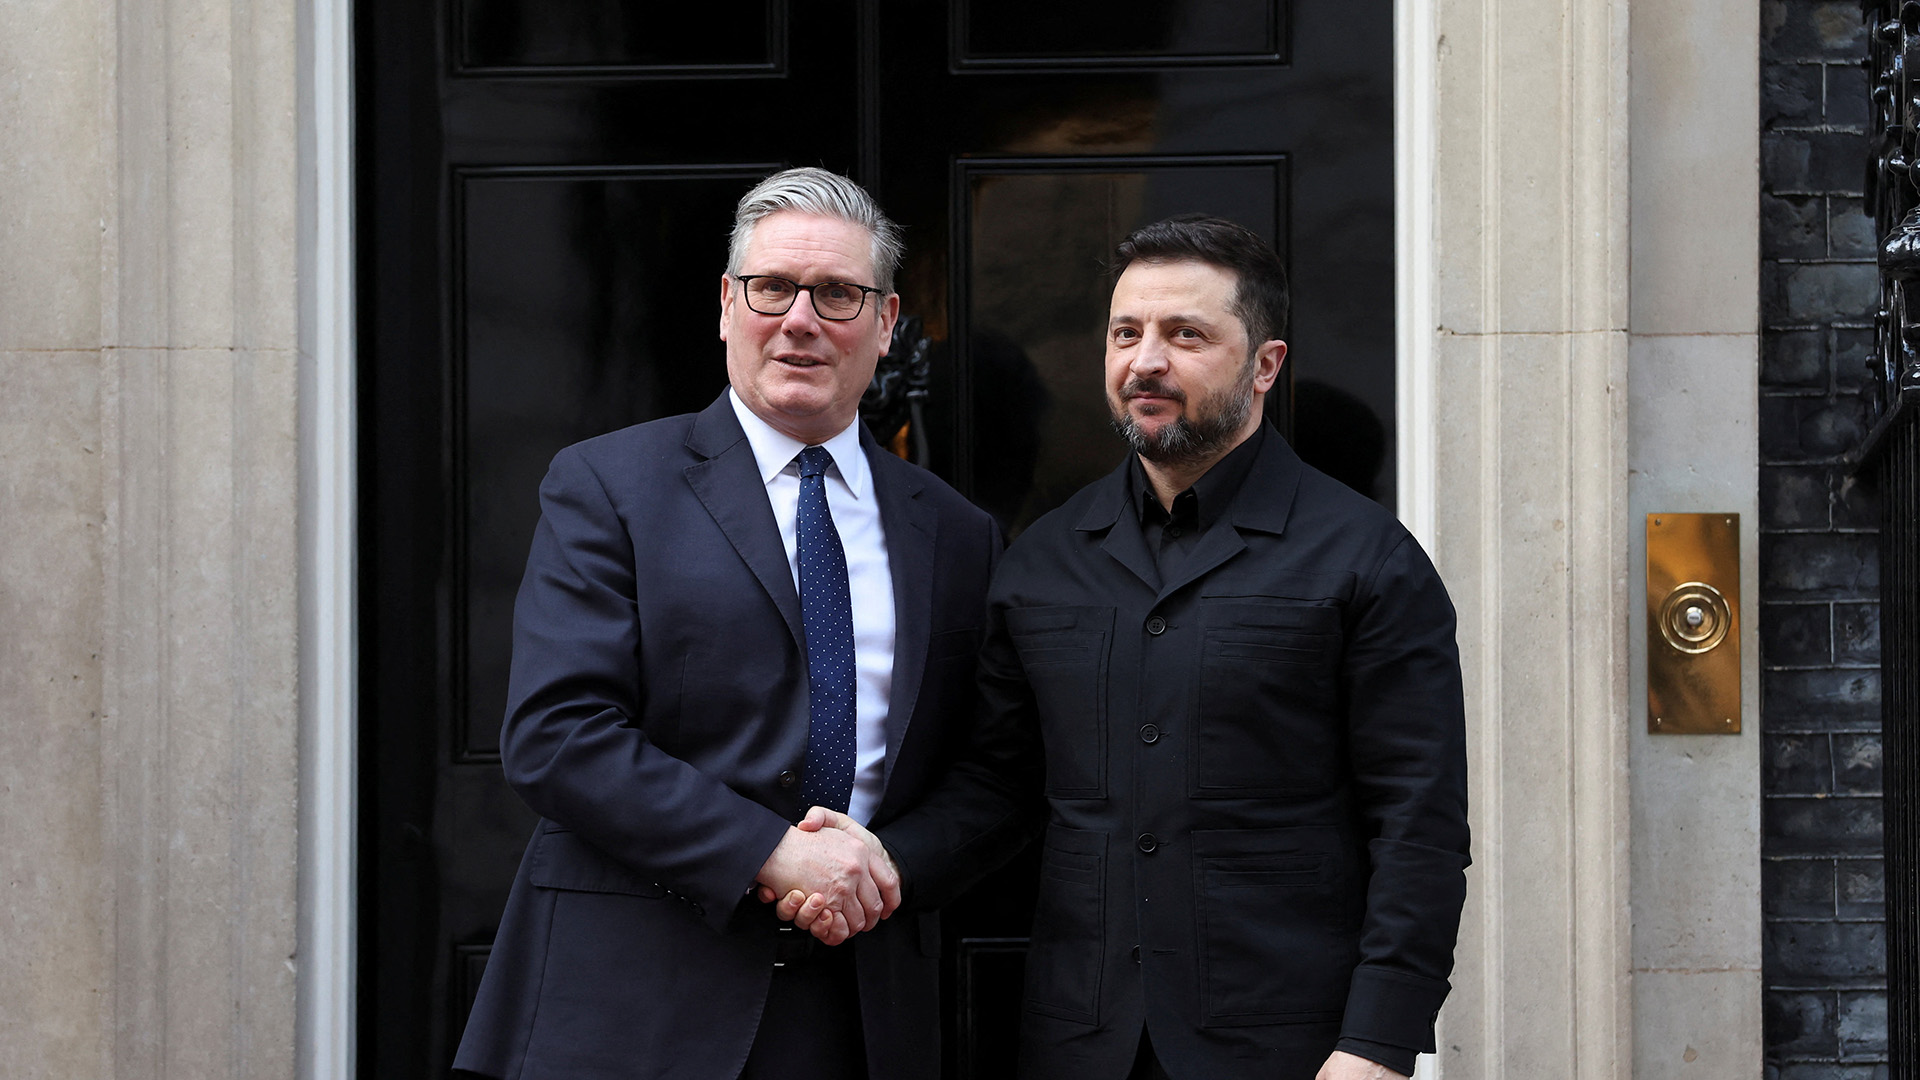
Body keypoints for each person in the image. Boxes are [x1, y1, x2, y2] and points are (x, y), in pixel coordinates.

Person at [803, 214, 1470, 1079]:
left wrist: (1377, 1043)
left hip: (1289, 1046)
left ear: (1265, 365)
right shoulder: (1042, 558)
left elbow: (1418, 826)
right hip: (1081, 1041)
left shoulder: (1367, 560)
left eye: (1185, 334)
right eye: (1126, 333)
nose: (1144, 361)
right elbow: (1002, 787)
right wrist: (879, 864)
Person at [452, 167, 1005, 1080]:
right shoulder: (608, 486)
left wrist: (883, 870)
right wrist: (771, 854)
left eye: (837, 294)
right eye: (771, 287)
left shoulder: (957, 534)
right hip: (634, 1004)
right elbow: (557, 734)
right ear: (725, 305)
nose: (800, 319)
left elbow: (993, 772)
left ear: (888, 321)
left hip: (860, 1013)